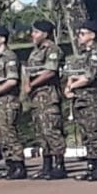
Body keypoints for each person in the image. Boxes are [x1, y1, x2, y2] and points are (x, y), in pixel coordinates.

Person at [67, 21, 97, 181]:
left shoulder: (96, 53)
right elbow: (74, 74)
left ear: (92, 35)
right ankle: (91, 165)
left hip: (92, 98)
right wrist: (69, 86)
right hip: (80, 99)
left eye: (82, 33)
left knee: (95, 133)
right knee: (86, 134)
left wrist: (73, 86)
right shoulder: (83, 55)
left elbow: (89, 76)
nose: (79, 36)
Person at [25, 21, 67, 180]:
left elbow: (50, 71)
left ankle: (59, 165)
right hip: (37, 98)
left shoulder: (53, 50)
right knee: (41, 132)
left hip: (48, 96)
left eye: (36, 32)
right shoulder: (35, 51)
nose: (32, 35)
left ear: (45, 33)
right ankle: (46, 165)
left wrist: (32, 84)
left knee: (52, 130)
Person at [0, 27, 26, 180]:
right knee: (0, 135)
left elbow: (12, 80)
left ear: (3, 39)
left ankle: (18, 165)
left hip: (7, 101)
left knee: (9, 133)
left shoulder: (9, 57)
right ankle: (10, 165)